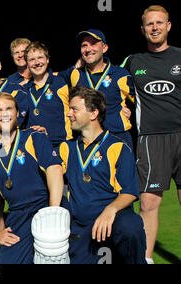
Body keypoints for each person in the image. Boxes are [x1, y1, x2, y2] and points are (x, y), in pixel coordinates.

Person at [0, 93, 64, 264]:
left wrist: (53, 212)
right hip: (18, 216)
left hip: (46, 208)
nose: (4, 114)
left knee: (55, 256)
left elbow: (55, 169)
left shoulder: (34, 137)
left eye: (9, 109)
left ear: (17, 112)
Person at [58, 86, 146, 264]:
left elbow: (129, 192)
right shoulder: (66, 148)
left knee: (131, 226)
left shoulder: (117, 147)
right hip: (81, 227)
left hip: (112, 221)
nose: (69, 114)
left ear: (93, 114)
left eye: (74, 109)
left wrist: (110, 210)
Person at [121, 5, 181, 264]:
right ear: (143, 29)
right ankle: (146, 259)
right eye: (149, 24)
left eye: (159, 23)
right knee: (148, 205)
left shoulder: (180, 56)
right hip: (151, 140)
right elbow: (106, 81)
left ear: (168, 26)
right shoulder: (133, 61)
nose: (154, 27)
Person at [58, 29, 135, 149]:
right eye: (84, 45)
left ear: (104, 48)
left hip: (117, 137)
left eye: (93, 44)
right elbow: (48, 77)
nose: (88, 49)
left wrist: (129, 112)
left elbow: (142, 102)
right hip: (86, 139)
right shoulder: (75, 73)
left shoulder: (120, 74)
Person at [22, 41, 72, 148]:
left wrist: (69, 143)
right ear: (27, 64)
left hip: (60, 145)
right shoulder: (25, 90)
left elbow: (70, 114)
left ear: (47, 59)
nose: (37, 62)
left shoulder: (60, 84)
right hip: (35, 147)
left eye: (40, 57)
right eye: (32, 59)